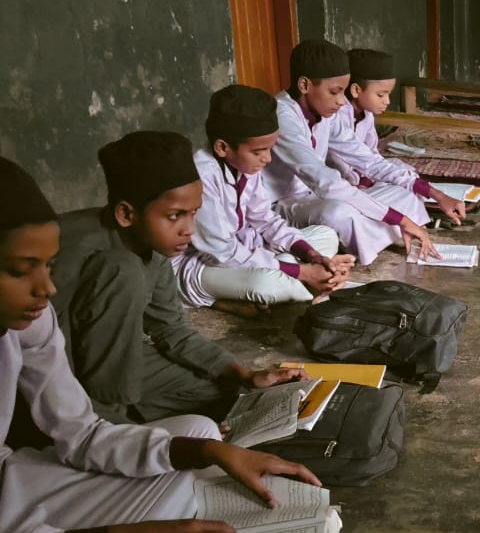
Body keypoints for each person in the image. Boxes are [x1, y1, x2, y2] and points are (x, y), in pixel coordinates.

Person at [0, 156, 321, 533]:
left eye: (48, 267)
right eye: (19, 270)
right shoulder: (114, 268)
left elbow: (81, 434)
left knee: (197, 433)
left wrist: (210, 455)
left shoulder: (28, 321)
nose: (46, 289)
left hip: (14, 487)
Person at [52, 131, 306, 423]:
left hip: (115, 361)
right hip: (58, 369)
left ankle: (125, 413)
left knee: (222, 392)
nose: (189, 230)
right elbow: (43, 351)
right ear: (126, 213)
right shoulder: (68, 248)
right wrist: (106, 425)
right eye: (175, 215)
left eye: (193, 213)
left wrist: (244, 374)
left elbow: (170, 329)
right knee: (124, 270)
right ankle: (111, 420)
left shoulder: (153, 249)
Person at [173, 84, 355, 315]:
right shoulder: (202, 177)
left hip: (244, 250)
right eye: (259, 151)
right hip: (203, 265)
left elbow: (265, 219)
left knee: (325, 235)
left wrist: (311, 255)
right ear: (222, 147)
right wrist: (304, 271)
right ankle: (302, 279)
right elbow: (222, 252)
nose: (267, 159)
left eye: (270, 148)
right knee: (267, 285)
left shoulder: (245, 166)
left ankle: (301, 272)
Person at [261, 38, 438, 266]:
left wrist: (433, 193)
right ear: (304, 85)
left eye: (343, 93)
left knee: (403, 194)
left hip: (316, 198)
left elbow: (367, 158)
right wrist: (399, 219)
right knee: (340, 211)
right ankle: (384, 233)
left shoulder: (327, 115)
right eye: (335, 92)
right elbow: (326, 182)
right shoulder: (282, 117)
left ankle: (377, 234)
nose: (340, 102)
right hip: (285, 204)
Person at [327, 47, 473, 229]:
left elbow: (371, 156)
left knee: (403, 170)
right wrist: (438, 195)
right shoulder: (334, 117)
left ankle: (405, 223)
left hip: (361, 182)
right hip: (338, 188)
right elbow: (365, 162)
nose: (387, 101)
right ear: (356, 90)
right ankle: (402, 224)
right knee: (351, 209)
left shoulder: (367, 115)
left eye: (388, 94)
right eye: (381, 94)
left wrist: (365, 183)